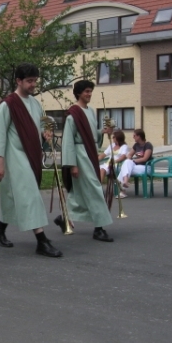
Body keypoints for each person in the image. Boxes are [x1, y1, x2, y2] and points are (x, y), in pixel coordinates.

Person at [0, 63, 62, 257]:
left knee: (14, 197)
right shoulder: (8, 105)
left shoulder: (35, 103)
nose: (33, 84)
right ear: (18, 81)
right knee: (30, 196)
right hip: (14, 156)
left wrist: (45, 133)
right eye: (29, 81)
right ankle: (41, 240)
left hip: (31, 155)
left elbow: (38, 125)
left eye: (35, 81)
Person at [61, 80, 114, 242]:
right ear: (78, 93)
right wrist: (72, 164)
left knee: (79, 192)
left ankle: (63, 218)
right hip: (79, 156)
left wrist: (102, 132)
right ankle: (99, 228)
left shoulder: (90, 111)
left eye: (91, 91)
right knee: (95, 188)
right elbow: (68, 141)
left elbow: (92, 135)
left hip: (89, 153)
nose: (89, 94)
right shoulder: (73, 114)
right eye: (86, 92)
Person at [117, 129, 154, 197]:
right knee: (127, 163)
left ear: (139, 136)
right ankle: (125, 182)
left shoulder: (148, 145)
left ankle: (123, 190)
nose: (133, 137)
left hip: (146, 167)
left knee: (124, 168)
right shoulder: (136, 145)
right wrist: (129, 157)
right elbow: (129, 155)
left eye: (134, 136)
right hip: (136, 167)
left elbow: (145, 159)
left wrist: (133, 160)